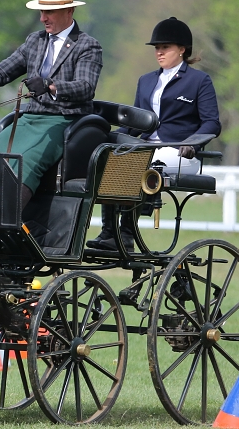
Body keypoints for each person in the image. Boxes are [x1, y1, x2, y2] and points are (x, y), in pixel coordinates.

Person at [0, 0, 102, 207]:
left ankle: (10, 224)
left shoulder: (87, 46)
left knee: (26, 161)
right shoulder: (35, 40)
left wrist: (51, 86)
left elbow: (85, 87)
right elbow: (3, 71)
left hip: (64, 121)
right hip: (30, 119)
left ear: (69, 10)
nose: (43, 18)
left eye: (49, 11)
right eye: (42, 11)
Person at [87, 16, 221, 252]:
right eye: (157, 48)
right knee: (108, 158)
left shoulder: (199, 81)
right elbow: (135, 123)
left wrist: (193, 144)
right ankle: (109, 232)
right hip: (145, 148)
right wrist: (106, 138)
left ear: (182, 49)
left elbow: (211, 123)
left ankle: (126, 234)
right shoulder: (146, 81)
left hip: (180, 155)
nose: (159, 52)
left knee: (137, 162)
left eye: (165, 47)